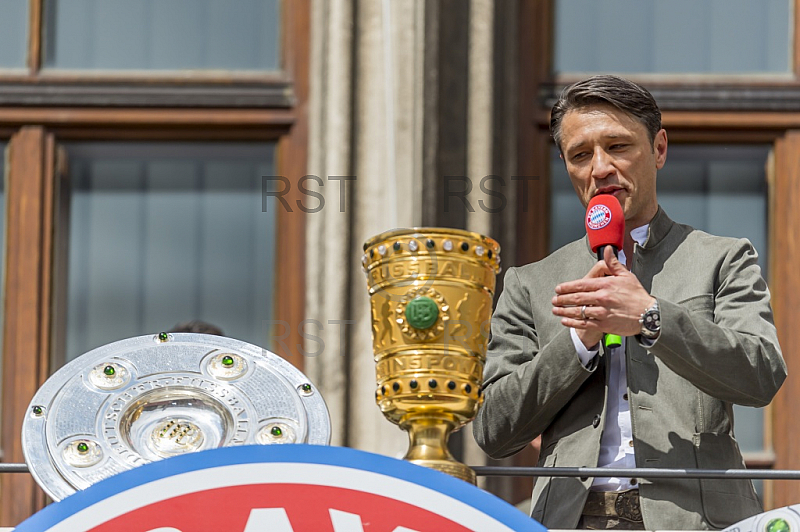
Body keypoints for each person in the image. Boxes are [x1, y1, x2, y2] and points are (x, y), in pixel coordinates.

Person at [473, 75, 787, 530]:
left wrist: (651, 317)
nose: (600, 167)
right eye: (581, 155)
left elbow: (761, 375)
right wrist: (578, 341)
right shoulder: (529, 283)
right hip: (571, 520)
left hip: (696, 521)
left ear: (659, 149)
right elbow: (493, 430)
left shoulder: (721, 258)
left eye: (618, 147)